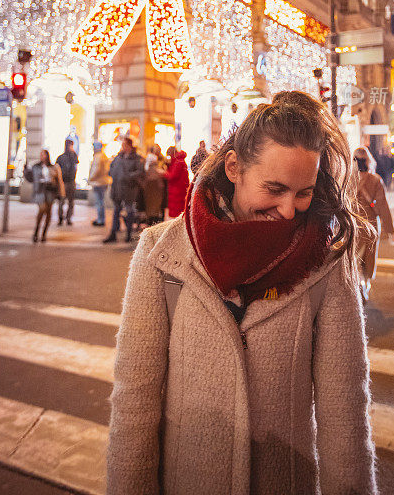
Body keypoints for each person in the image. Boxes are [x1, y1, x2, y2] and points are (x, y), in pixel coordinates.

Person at [107, 91, 378, 495]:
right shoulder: (161, 252)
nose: (289, 210)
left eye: (303, 192)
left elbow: (345, 418)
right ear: (234, 167)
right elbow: (135, 406)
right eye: (274, 189)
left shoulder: (327, 264)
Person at [353, 146, 394, 301]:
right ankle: (364, 285)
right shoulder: (375, 180)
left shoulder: (348, 180)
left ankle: (356, 284)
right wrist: (390, 230)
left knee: (354, 259)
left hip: (352, 226)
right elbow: (382, 206)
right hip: (370, 227)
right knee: (369, 259)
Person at [104, 137, 145, 243]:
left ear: (130, 146)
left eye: (125, 145)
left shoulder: (136, 158)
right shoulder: (118, 158)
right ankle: (113, 233)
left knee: (129, 210)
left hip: (129, 189)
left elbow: (140, 172)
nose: (123, 147)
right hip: (117, 188)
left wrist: (127, 177)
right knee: (116, 211)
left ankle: (128, 234)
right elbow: (112, 169)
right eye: (122, 145)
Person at [24, 151, 65, 243]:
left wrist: (61, 194)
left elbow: (59, 181)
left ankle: (44, 234)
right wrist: (25, 170)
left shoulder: (54, 167)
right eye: (41, 154)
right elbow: (30, 178)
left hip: (50, 191)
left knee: (48, 212)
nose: (42, 156)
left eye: (44, 154)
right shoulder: (36, 167)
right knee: (42, 209)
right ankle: (36, 231)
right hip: (40, 191)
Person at [56, 138, 79, 226]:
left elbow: (75, 167)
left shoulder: (73, 156)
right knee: (61, 201)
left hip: (71, 181)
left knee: (71, 201)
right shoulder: (61, 158)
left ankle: (68, 218)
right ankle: (60, 218)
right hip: (63, 182)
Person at [88, 141, 111, 227]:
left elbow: (96, 169)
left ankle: (100, 220)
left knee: (99, 202)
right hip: (103, 182)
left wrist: (90, 178)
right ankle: (101, 219)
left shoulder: (98, 157)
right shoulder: (103, 156)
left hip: (98, 182)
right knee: (100, 201)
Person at [163, 146, 190, 218]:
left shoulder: (178, 162)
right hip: (177, 189)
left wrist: (163, 173)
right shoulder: (178, 160)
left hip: (177, 190)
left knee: (177, 214)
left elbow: (172, 176)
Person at [142, 151, 165, 225]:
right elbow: (161, 184)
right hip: (156, 193)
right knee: (155, 209)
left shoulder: (147, 169)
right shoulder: (157, 169)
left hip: (150, 194)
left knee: (150, 209)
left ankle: (150, 221)